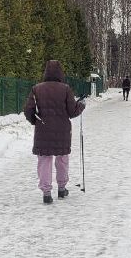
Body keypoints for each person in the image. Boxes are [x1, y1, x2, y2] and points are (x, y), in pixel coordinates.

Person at [23, 60, 85, 205]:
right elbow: (72, 111)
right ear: (60, 73)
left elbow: (28, 110)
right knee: (62, 159)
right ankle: (62, 189)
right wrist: (81, 105)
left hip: (43, 130)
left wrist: (35, 121)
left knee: (44, 160)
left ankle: (46, 193)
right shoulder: (65, 89)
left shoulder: (36, 89)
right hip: (62, 131)